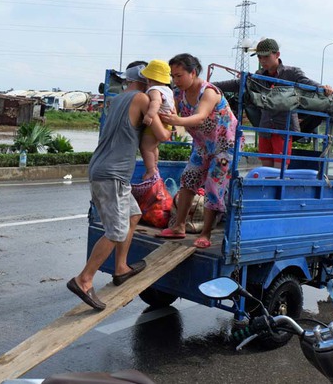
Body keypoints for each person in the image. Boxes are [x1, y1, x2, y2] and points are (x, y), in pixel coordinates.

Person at [67, 63, 172, 311]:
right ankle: (84, 280)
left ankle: (121, 267)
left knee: (134, 215)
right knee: (115, 231)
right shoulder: (142, 98)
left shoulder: (116, 100)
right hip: (112, 174)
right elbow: (163, 135)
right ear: (147, 82)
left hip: (108, 171)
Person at [156, 53, 237, 249]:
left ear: (193, 72)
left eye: (179, 75)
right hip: (202, 145)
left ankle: (206, 234)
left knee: (213, 186)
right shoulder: (178, 93)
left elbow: (200, 117)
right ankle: (179, 226)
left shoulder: (209, 92)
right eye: (173, 76)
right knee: (189, 179)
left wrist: (177, 122)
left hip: (224, 146)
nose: (176, 80)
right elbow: (169, 111)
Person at [214, 38, 333, 168]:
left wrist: (323, 88)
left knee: (279, 170)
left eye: (266, 56)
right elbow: (238, 84)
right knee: (266, 169)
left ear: (277, 54)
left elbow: (308, 83)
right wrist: (211, 85)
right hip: (265, 126)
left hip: (283, 127)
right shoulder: (259, 76)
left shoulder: (291, 73)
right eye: (259, 57)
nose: (262, 60)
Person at [139, 59, 176, 180]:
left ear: (149, 79)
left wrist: (149, 115)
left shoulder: (154, 90)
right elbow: (173, 107)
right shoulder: (169, 91)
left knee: (145, 147)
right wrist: (174, 123)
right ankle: (154, 166)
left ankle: (150, 170)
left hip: (157, 122)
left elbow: (156, 102)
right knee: (153, 147)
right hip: (167, 123)